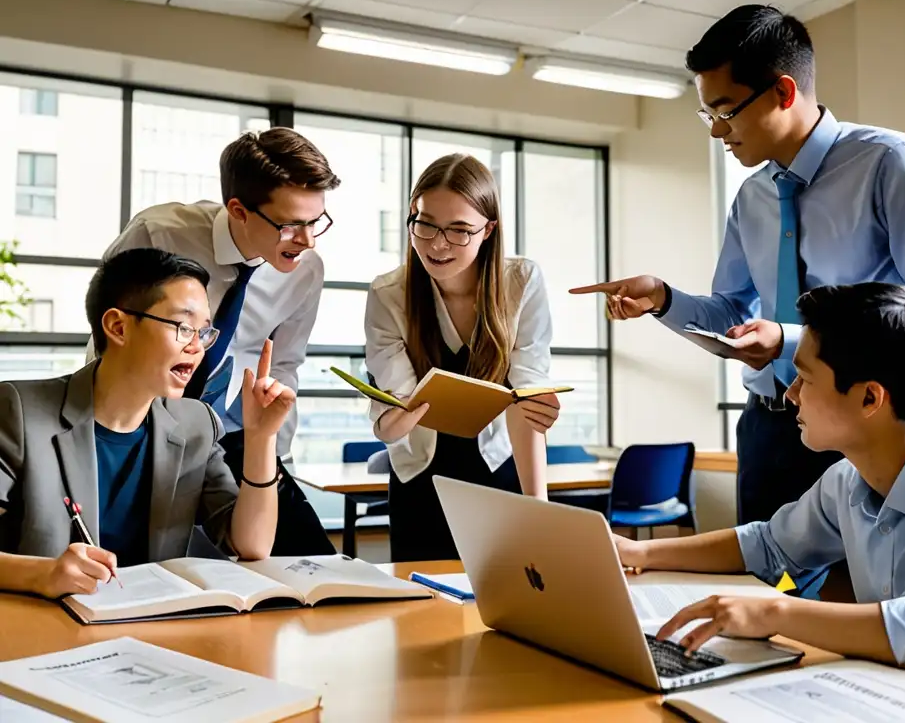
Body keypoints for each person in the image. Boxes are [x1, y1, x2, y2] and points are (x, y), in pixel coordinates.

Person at [570, 5, 905, 529]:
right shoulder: (752, 197)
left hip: (860, 429)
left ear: (783, 92)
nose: (717, 131)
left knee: (849, 592)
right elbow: (734, 313)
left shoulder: (890, 163)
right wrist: (663, 299)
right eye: (707, 114)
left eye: (726, 110)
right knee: (766, 585)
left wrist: (788, 339)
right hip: (766, 428)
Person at [614, 283, 905, 675]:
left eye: (805, 379)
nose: (791, 394)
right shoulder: (846, 481)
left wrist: (774, 613)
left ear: (869, 398)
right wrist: (642, 555)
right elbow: (767, 546)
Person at [96, 127, 340, 555]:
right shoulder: (160, 234)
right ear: (239, 211)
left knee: (311, 560)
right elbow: (108, 334)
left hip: (232, 428)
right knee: (137, 553)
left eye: (316, 221)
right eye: (290, 225)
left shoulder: (306, 271)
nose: (307, 240)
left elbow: (284, 366)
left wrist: (273, 458)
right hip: (140, 420)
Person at [0, 248, 294, 598]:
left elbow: (252, 545)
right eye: (184, 327)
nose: (197, 348)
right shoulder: (19, 411)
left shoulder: (196, 423)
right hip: (44, 631)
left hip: (150, 628)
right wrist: (41, 574)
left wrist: (262, 437)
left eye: (204, 332)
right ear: (118, 327)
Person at [364, 154, 562, 562]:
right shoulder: (388, 294)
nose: (438, 244)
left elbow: (527, 402)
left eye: (459, 230)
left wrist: (539, 509)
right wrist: (392, 417)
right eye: (426, 224)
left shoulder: (520, 282)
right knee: (420, 613)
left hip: (499, 471)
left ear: (488, 230)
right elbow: (393, 425)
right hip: (420, 480)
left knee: (509, 611)